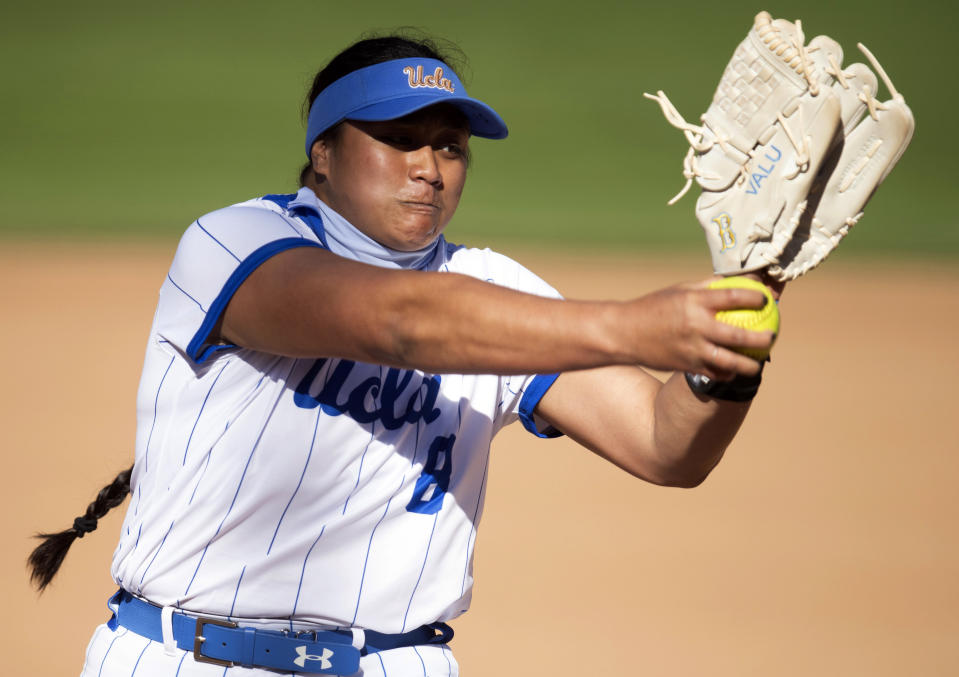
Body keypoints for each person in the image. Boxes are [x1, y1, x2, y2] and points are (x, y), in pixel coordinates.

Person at [29, 32, 778, 677]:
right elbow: (398, 322)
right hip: (183, 658)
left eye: (449, 145)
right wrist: (637, 326)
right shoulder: (235, 243)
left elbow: (663, 443)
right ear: (322, 153)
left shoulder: (490, 291)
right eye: (399, 138)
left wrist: (732, 338)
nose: (430, 165)